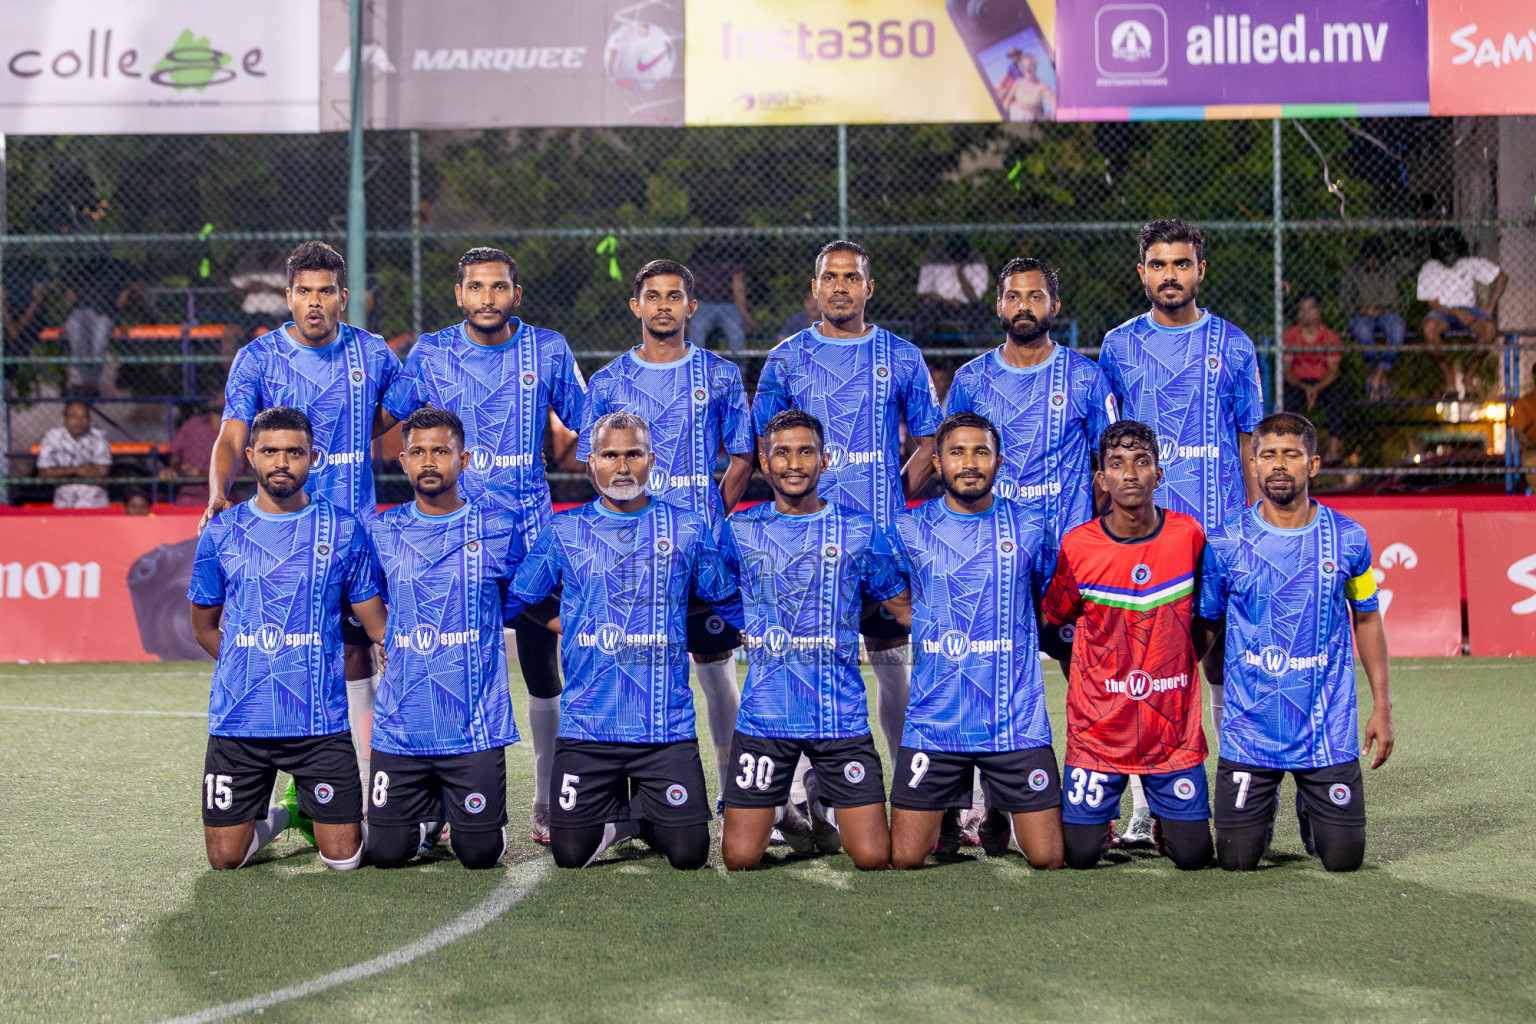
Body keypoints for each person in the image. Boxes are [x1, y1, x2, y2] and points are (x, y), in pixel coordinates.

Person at [380, 246, 586, 845]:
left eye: (499, 287)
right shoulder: (430, 353)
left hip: (527, 535)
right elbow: (384, 420)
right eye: (476, 287)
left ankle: (548, 800)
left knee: (544, 666)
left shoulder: (547, 349)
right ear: (459, 294)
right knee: (446, 659)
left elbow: (591, 423)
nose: (487, 298)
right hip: (447, 537)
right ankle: (441, 801)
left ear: (515, 295)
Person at [206, 241, 401, 798]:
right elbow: (233, 435)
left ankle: (361, 784)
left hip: (354, 528)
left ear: (344, 298)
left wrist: (363, 428)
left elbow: (404, 407)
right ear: (289, 297)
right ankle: (279, 784)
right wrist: (219, 490)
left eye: (326, 293)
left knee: (360, 648)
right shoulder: (259, 357)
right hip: (279, 536)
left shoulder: (372, 352)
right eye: (304, 293)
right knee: (286, 646)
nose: (315, 303)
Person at [510, 412, 743, 870]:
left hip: (664, 731)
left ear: (651, 460)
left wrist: (759, 628)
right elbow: (519, 597)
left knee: (689, 854)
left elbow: (725, 597)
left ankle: (643, 814)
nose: (622, 466)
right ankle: (629, 818)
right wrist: (565, 622)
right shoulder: (565, 531)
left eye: (633, 454)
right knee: (569, 854)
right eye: (610, 455)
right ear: (591, 462)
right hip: (586, 732)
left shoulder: (687, 527)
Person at [754, 239, 944, 780]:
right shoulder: (785, 358)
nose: (840, 287)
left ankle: (917, 784)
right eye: (830, 278)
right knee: (804, 666)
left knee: (891, 663)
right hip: (806, 547)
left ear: (869, 287)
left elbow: (930, 444)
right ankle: (797, 794)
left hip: (880, 545)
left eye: (851, 277)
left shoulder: (902, 355)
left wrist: (889, 499)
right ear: (815, 288)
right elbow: (766, 452)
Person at [578, 259, 755, 814]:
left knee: (715, 670)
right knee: (633, 663)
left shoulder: (721, 375)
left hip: (700, 554)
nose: (662, 305)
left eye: (673, 296)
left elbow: (744, 457)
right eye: (651, 296)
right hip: (629, 551)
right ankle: (627, 798)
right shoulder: (607, 381)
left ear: (690, 307)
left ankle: (734, 794)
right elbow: (593, 461)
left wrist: (705, 520)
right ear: (636, 306)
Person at [188, 406, 387, 871]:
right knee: (225, 861)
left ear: (313, 458)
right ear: (251, 456)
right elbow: (203, 626)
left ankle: (315, 806)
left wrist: (402, 645)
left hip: (317, 724)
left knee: (345, 859)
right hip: (240, 723)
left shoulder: (342, 529)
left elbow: (374, 622)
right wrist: (250, 664)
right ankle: (282, 816)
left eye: (294, 452)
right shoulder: (221, 532)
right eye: (271, 451)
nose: (282, 462)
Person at [1098, 218, 1263, 765]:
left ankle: (1234, 778)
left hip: (1217, 533)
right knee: (1143, 667)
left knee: (1220, 661)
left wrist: (1254, 522)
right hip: (1146, 535)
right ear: (1142, 272)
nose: (1171, 275)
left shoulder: (1234, 345)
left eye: (1182, 264)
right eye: (1160, 265)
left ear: (1201, 270)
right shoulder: (1118, 346)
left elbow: (1250, 444)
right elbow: (1110, 444)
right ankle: (1146, 805)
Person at [1198, 412, 1394, 872]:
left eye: (1292, 455)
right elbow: (1205, 627)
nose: (1279, 465)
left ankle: (1312, 802)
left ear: (1314, 464)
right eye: (1268, 455)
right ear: (1252, 464)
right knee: (1237, 861)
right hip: (1250, 733)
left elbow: (1367, 619)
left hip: (1326, 731)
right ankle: (1260, 815)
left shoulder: (1348, 538)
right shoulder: (1225, 541)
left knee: (1343, 860)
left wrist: (1383, 706)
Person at [719, 409, 907, 871]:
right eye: (781, 453)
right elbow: (710, 594)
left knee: (872, 857)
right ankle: (782, 808)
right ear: (764, 464)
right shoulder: (739, 530)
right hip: (765, 715)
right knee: (739, 858)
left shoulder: (859, 529)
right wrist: (741, 620)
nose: (794, 462)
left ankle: (821, 798)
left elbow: (900, 603)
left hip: (838, 713)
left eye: (806, 451)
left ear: (825, 460)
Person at [884, 412, 1065, 870]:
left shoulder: (1030, 526)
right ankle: (954, 807)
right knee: (905, 859)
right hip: (936, 721)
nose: (969, 462)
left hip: (1014, 720)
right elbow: (894, 596)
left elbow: (1047, 600)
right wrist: (932, 626)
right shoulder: (908, 529)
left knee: (1047, 858)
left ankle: (1000, 806)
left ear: (998, 462)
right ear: (938, 464)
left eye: (980, 451)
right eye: (956, 452)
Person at [1043, 421, 1214, 870]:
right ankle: (1098, 823)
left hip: (1170, 732)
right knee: (1079, 856)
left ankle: (1162, 822)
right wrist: (1091, 675)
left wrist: (1177, 661)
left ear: (1159, 474)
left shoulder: (1188, 536)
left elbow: (1208, 617)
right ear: (1101, 479)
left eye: (1142, 462)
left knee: (1194, 856)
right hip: (1099, 731)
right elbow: (1054, 618)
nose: (1130, 473)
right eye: (1116, 464)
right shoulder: (1078, 546)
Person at [364, 408, 530, 871]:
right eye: (418, 451)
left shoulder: (497, 528)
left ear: (465, 459)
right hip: (402, 723)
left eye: (441, 451)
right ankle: (431, 813)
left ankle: (455, 812)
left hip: (472, 724)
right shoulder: (383, 531)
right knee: (385, 855)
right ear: (402, 461)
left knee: (481, 856)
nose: (429, 461)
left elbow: (522, 597)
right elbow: (367, 597)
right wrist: (387, 637)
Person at [1417, 232, 1509, 400]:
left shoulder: (1470, 263)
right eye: (1444, 252)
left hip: (1470, 310)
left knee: (1488, 329)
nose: (1448, 256)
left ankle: (1469, 378)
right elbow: (1432, 301)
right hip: (1443, 312)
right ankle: (1450, 381)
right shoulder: (1430, 267)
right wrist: (1455, 312)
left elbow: (1502, 277)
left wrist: (1491, 304)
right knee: (1429, 329)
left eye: (1451, 250)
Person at [1341, 238, 1411, 402]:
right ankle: (1380, 378)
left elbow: (1412, 262)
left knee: (1397, 328)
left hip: (1387, 313)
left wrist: (1381, 310)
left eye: (1375, 258)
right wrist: (1363, 310)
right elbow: (1345, 304)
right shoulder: (1352, 271)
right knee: (1362, 330)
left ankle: (1377, 375)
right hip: (1361, 315)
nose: (1372, 261)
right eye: (1368, 258)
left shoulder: (1391, 269)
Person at [61, 252, 140, 396]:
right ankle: (88, 383)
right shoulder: (83, 264)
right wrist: (68, 288)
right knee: (76, 331)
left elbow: (142, 281)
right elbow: (64, 279)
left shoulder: (119, 265)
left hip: (105, 311)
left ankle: (88, 383)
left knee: (100, 338)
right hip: (81, 309)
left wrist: (127, 290)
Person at [1281, 294, 1344, 466]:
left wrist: (1316, 388)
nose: (1305, 313)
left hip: (1322, 382)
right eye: (1302, 309)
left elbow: (1333, 371)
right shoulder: (1289, 336)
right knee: (1289, 400)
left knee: (1336, 398)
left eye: (1310, 308)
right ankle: (1291, 450)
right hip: (1298, 382)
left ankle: (1333, 451)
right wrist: (1305, 387)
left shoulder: (1330, 337)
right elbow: (1287, 370)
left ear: (1318, 312)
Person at [911, 237, 991, 349]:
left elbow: (975, 297)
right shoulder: (934, 259)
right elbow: (924, 291)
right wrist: (947, 301)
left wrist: (959, 272)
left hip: (967, 307)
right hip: (939, 305)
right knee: (924, 314)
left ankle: (980, 354)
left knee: (982, 313)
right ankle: (922, 356)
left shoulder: (976, 261)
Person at [36, 400, 112, 508]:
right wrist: (75, 470)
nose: (78, 421)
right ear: (64, 418)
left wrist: (60, 472)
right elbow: (43, 472)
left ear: (89, 419)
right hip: (64, 503)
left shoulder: (99, 436)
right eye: (73, 416)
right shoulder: (52, 437)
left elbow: (103, 471)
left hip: (95, 503)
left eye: (83, 417)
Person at [161, 397, 230, 507]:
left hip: (222, 498)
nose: (220, 397)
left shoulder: (236, 431)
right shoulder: (193, 424)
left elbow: (239, 472)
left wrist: (201, 475)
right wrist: (172, 469)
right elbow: (175, 454)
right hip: (188, 496)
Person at [688, 244, 756, 354]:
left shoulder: (734, 254)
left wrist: (745, 314)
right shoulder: (700, 253)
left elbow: (737, 285)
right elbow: (691, 282)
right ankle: (695, 367)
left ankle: (739, 368)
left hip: (728, 303)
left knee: (735, 331)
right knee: (697, 328)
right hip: (704, 302)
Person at [996, 49, 1055, 122]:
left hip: (1029, 112)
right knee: (1002, 95)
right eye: (1023, 66)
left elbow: (1051, 100)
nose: (1027, 68)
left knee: (1038, 107)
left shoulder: (1042, 86)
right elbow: (1004, 78)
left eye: (1030, 65)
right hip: (1016, 93)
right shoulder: (1012, 69)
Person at [1511, 364, 1536, 494]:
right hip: (1533, 451)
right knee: (1532, 460)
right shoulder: (1525, 403)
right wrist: (1532, 444)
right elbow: (1520, 433)